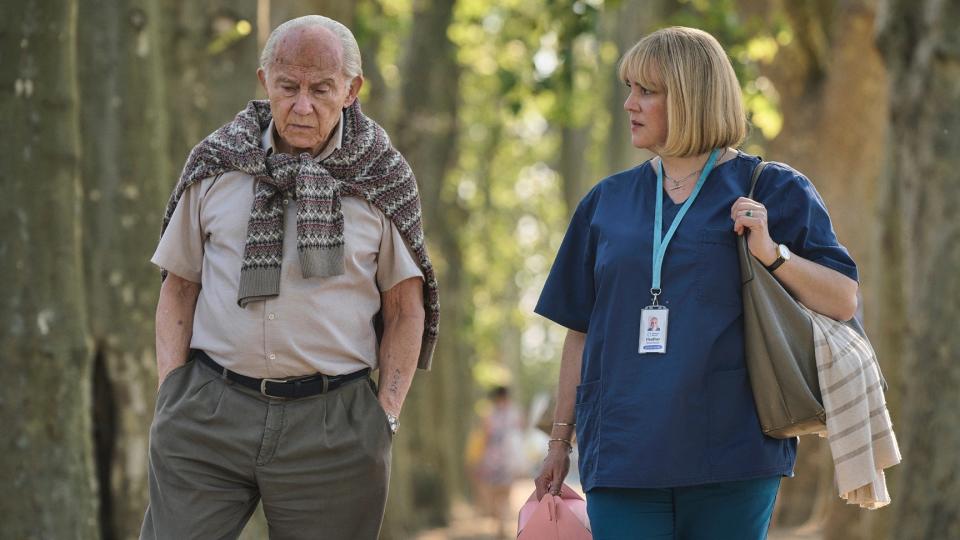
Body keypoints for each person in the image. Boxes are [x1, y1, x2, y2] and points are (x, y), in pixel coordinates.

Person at [533, 26, 859, 540]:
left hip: (734, 452)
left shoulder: (774, 188)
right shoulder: (606, 202)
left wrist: (773, 255)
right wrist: (559, 444)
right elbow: (580, 329)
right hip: (621, 454)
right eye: (628, 89)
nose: (629, 104)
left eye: (646, 91)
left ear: (690, 98)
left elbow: (842, 300)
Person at [141, 15, 439, 540]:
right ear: (264, 82)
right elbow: (179, 285)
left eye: (321, 89)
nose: (303, 105)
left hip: (333, 427)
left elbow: (406, 310)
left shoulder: (382, 176)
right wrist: (172, 391)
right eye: (288, 87)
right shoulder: (216, 162)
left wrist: (384, 417)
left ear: (352, 89)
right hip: (208, 412)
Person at [472, 386, 524, 539]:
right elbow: (520, 436)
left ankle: (500, 523)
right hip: (509, 458)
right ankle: (502, 522)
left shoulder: (490, 415)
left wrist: (479, 459)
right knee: (505, 493)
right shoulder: (516, 413)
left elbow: (486, 437)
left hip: (494, 458)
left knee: (495, 493)